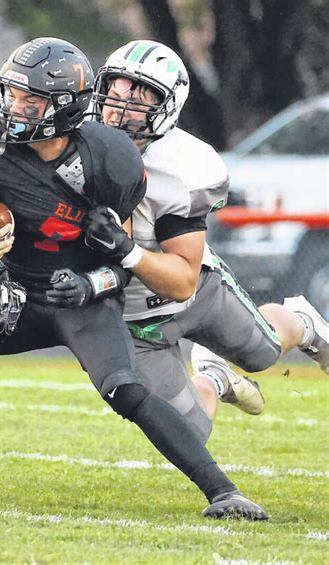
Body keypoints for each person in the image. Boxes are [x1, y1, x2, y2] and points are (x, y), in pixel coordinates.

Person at [0, 37, 266, 520]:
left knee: (125, 391)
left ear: (64, 108)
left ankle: (224, 492)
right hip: (17, 290)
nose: (14, 108)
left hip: (84, 297)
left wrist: (89, 286)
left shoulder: (110, 157)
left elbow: (118, 264)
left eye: (31, 99)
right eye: (11, 94)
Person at [72, 39, 328, 443]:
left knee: (260, 353)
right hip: (133, 322)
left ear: (167, 106)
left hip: (194, 291)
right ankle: (214, 378)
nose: (119, 109)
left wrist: (126, 249)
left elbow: (183, 279)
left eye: (139, 99)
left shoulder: (185, 165)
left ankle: (303, 320)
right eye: (115, 93)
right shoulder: (71, 144)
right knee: (188, 435)